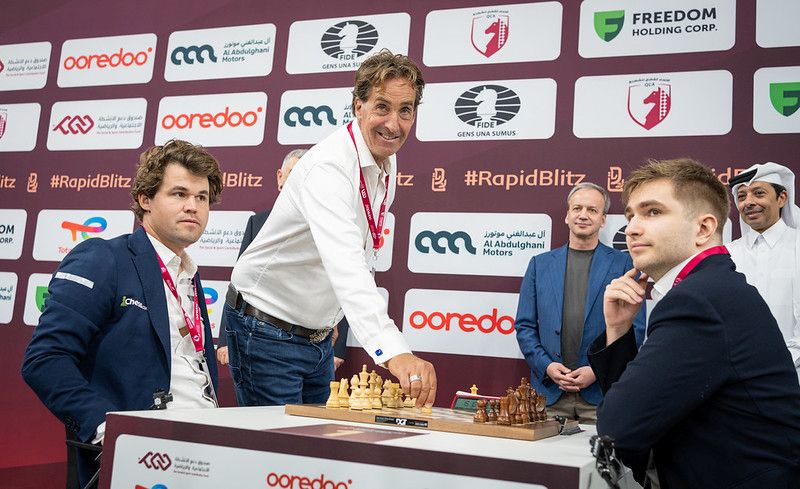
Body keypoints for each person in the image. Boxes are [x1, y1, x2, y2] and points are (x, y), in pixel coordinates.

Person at [225, 49, 437, 407]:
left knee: (313, 441)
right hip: (265, 328)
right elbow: (347, 265)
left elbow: (362, 252)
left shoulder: (384, 157)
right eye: (382, 107)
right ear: (358, 106)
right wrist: (395, 352)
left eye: (405, 110)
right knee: (279, 442)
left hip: (317, 336)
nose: (394, 124)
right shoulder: (329, 168)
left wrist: (330, 316)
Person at [588, 158, 800, 488]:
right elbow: (639, 412)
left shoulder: (700, 300)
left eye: (652, 212)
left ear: (703, 229)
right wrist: (618, 330)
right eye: (630, 216)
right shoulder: (711, 286)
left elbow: (618, 428)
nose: (631, 229)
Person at [21, 140, 223, 486]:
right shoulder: (104, 258)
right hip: (145, 457)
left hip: (206, 452)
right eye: (179, 194)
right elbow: (44, 360)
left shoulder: (188, 274)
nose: (193, 206)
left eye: (201, 197)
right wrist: (112, 432)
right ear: (145, 200)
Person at [515, 183, 646, 424]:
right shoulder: (539, 265)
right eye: (577, 208)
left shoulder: (624, 265)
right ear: (567, 215)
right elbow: (524, 326)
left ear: (603, 220)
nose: (583, 215)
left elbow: (635, 329)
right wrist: (547, 366)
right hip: (548, 394)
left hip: (600, 393)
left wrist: (597, 370)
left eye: (592, 210)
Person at [217, 149, 351, 371]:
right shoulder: (258, 223)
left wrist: (337, 348)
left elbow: (340, 284)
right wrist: (225, 338)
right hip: (259, 336)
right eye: (293, 174)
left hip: (312, 342)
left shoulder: (331, 225)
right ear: (280, 177)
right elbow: (239, 285)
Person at [727, 162, 800, 379]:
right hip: (738, 377)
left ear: (782, 198)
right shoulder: (727, 254)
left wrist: (779, 363)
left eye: (759, 193)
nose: (749, 202)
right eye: (742, 196)